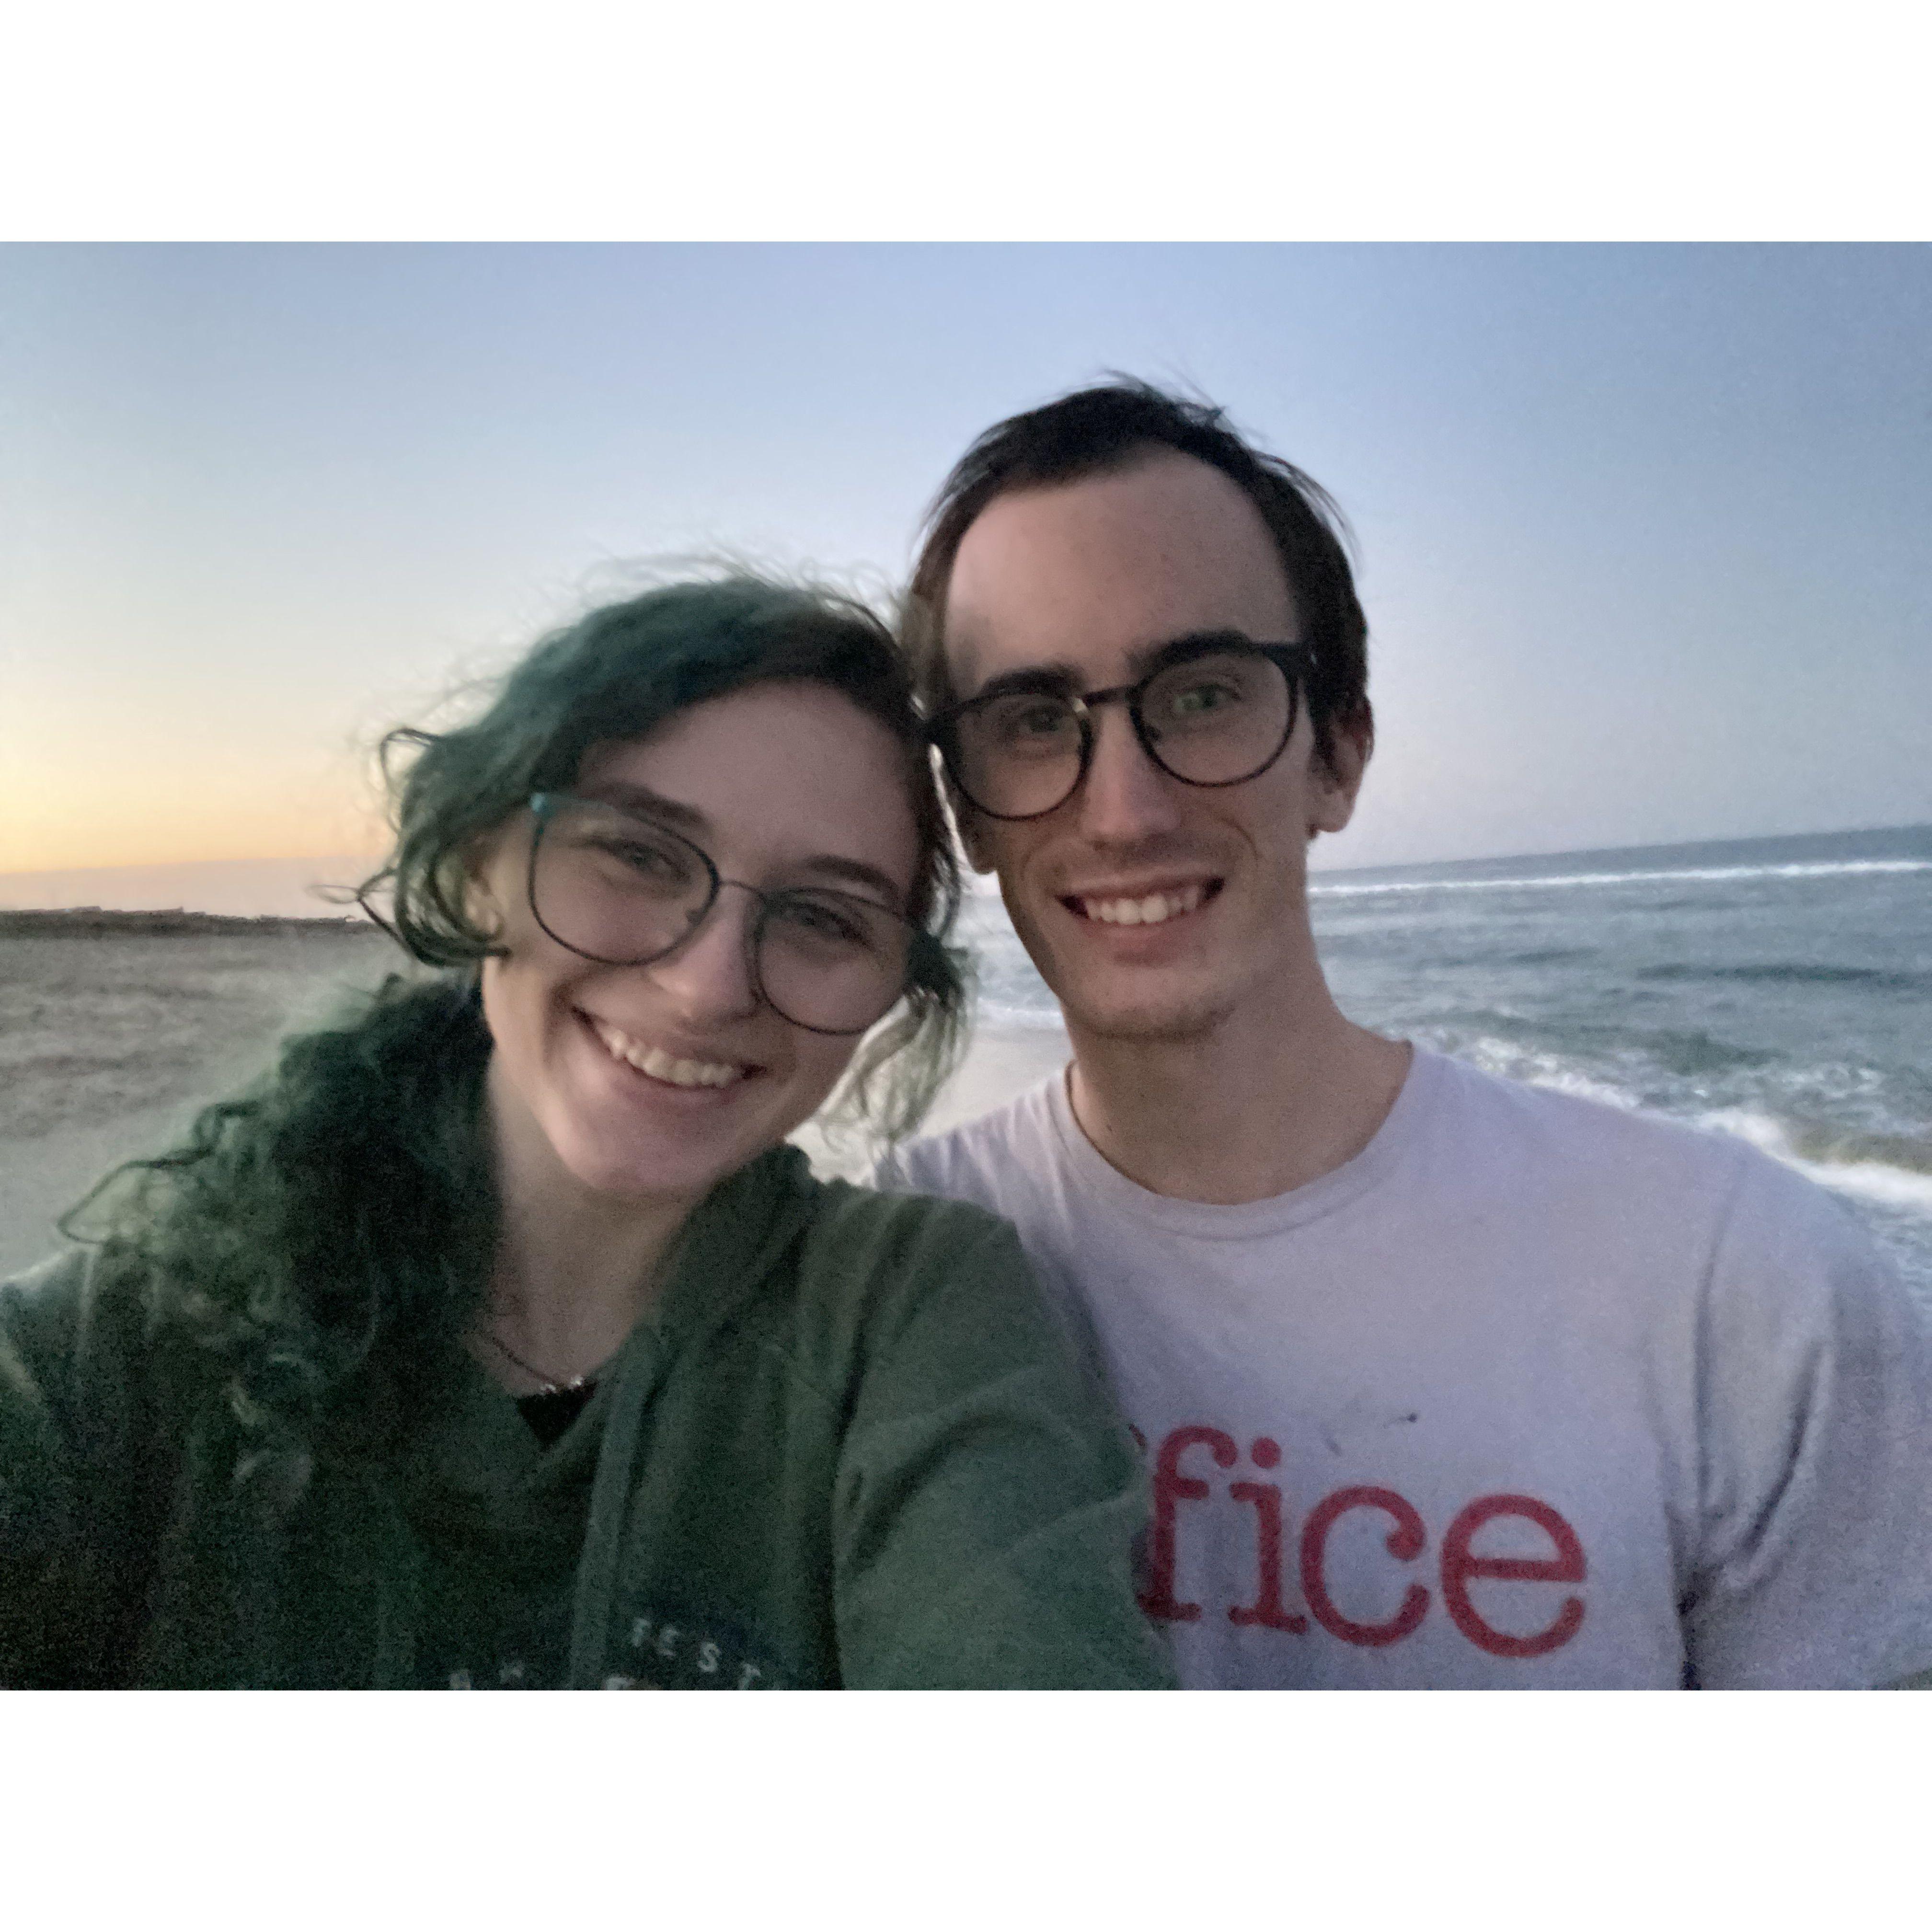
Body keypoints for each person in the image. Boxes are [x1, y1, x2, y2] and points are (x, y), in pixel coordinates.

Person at [874, 380, 1932, 1689]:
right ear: (967, 812)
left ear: (1339, 754)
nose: (1125, 810)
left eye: (1202, 695)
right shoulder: (896, 1282)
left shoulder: (1741, 1291)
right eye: (1034, 723)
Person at [0, 575, 1173, 1691]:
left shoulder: (907, 1318)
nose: (709, 989)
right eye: (638, 854)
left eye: (825, 916)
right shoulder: (121, 1354)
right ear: (480, 863)